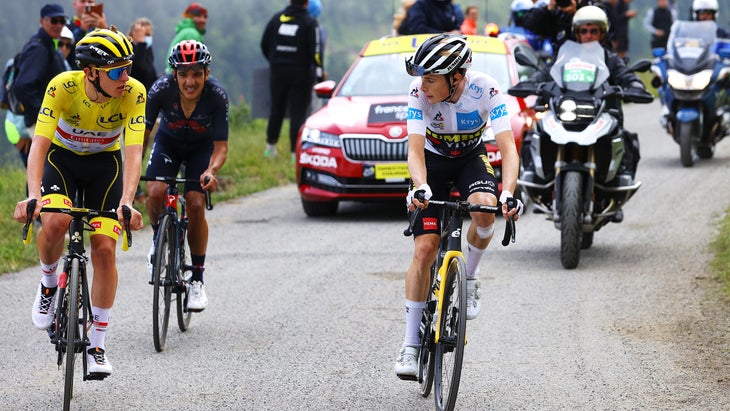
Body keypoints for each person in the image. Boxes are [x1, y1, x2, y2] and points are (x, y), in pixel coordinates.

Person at [13, 27, 145, 377]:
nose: (125, 77)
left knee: (104, 248)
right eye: (116, 71)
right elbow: (39, 144)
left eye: (128, 68)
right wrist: (33, 196)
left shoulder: (133, 92)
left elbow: (134, 150)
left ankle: (97, 344)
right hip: (63, 160)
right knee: (56, 222)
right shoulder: (62, 86)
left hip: (106, 166)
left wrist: (128, 201)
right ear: (91, 72)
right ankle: (47, 282)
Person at [393, 33, 523, 378]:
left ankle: (470, 276)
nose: (423, 85)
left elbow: (508, 149)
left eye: (430, 78)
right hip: (432, 163)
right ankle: (409, 345)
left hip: (469, 158)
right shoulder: (418, 94)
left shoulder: (487, 89)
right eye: (421, 77)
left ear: (457, 77)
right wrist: (420, 186)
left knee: (485, 206)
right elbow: (415, 150)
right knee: (424, 249)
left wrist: (508, 192)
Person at [144, 40, 229, 312]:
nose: (189, 81)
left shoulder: (217, 95)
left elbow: (221, 147)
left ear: (206, 73)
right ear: (174, 75)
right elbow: (142, 135)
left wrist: (210, 171)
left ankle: (197, 280)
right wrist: (132, 173)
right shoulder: (160, 89)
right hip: (168, 144)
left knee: (194, 203)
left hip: (200, 150)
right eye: (183, 74)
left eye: (196, 73)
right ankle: (158, 240)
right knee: (155, 191)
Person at [521, 6, 648, 185]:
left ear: (602, 33)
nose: (588, 35)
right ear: (577, 33)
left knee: (624, 140)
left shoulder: (610, 59)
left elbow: (626, 76)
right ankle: (535, 174)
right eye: (584, 31)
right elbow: (545, 73)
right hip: (565, 112)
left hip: (600, 115)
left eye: (593, 31)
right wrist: (529, 82)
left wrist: (634, 85)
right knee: (536, 132)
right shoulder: (564, 58)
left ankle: (618, 178)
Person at [260, 0, 324, 160]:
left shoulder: (277, 18)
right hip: (300, 73)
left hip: (278, 71)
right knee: (298, 113)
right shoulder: (310, 22)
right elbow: (316, 52)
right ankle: (295, 154)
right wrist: (319, 75)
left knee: (276, 109)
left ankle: (270, 148)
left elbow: (264, 44)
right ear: (307, 2)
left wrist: (276, 61)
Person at [13, 4, 68, 151]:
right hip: (44, 121)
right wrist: (44, 112)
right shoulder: (39, 49)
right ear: (42, 21)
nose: (59, 25)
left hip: (48, 119)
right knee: (51, 166)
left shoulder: (49, 45)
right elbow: (23, 86)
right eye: (54, 21)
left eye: (62, 21)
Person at [128, 17, 159, 203]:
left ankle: (136, 189)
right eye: (143, 34)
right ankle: (134, 192)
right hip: (132, 110)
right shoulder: (134, 49)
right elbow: (138, 68)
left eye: (149, 35)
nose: (147, 38)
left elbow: (150, 74)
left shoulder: (146, 50)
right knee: (132, 152)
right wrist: (138, 44)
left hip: (146, 110)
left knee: (141, 152)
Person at [66, 0, 108, 69]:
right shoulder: (65, 27)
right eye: (82, 1)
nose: (86, 5)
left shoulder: (100, 28)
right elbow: (66, 52)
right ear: (74, 4)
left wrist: (105, 29)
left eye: (90, 1)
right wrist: (81, 30)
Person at [166, 3, 208, 71]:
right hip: (181, 76)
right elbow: (196, 64)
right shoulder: (191, 33)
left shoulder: (185, 31)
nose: (203, 20)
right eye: (198, 16)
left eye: (205, 17)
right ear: (189, 17)